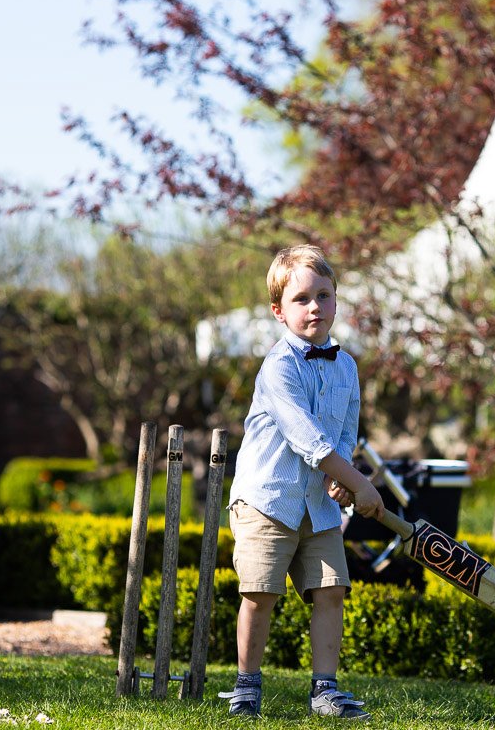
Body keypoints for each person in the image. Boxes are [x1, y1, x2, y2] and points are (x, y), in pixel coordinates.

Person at [219, 244, 386, 720]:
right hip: (268, 499)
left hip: (320, 503)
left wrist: (344, 483)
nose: (315, 307)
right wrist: (362, 483)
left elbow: (343, 435)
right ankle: (247, 688)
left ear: (336, 300)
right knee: (261, 593)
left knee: (331, 590)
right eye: (301, 299)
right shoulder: (279, 367)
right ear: (278, 310)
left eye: (325, 296)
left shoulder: (348, 366)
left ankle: (324, 691)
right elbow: (307, 439)